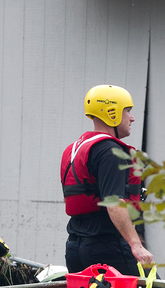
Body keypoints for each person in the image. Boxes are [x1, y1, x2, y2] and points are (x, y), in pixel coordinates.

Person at [60, 85, 153, 276]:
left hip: (75, 248)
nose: (132, 118)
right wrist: (136, 246)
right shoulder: (111, 151)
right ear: (112, 113)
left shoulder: (75, 149)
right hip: (107, 248)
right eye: (127, 111)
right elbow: (114, 203)